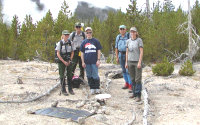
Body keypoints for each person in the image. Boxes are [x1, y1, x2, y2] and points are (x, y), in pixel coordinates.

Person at [80, 27, 102, 94]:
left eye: (90, 32)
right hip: (87, 62)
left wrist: (98, 60)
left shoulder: (96, 41)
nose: (89, 34)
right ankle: (92, 87)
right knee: (89, 75)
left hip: (94, 61)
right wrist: (83, 62)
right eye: (87, 32)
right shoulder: (83, 42)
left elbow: (99, 51)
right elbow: (82, 53)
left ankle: (97, 87)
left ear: (92, 33)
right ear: (85, 33)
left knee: (95, 75)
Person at [125, 27, 143, 102]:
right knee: (132, 78)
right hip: (130, 61)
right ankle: (134, 93)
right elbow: (127, 52)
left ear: (136, 32)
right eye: (131, 32)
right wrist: (126, 62)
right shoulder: (128, 41)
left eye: (134, 32)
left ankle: (138, 95)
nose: (132, 33)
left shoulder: (139, 40)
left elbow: (141, 52)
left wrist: (139, 62)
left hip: (137, 61)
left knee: (138, 78)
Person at [56, 30, 75, 95]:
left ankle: (70, 89)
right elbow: (58, 53)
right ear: (62, 35)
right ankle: (63, 89)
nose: (66, 36)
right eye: (65, 35)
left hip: (68, 60)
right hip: (62, 61)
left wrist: (70, 60)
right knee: (62, 75)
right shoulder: (60, 43)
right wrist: (63, 61)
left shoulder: (71, 43)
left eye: (67, 35)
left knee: (70, 75)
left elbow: (72, 52)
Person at [115, 25, 132, 91]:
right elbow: (116, 47)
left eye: (123, 29)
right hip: (120, 54)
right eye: (120, 29)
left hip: (127, 54)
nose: (122, 30)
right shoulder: (118, 37)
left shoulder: (128, 36)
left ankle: (131, 85)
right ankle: (126, 83)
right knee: (123, 70)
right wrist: (117, 57)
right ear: (119, 30)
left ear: (125, 29)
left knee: (128, 70)